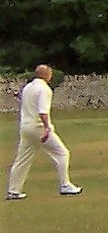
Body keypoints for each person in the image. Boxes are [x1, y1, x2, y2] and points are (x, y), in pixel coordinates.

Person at [7, 64, 82, 200]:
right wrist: (47, 128)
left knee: (22, 159)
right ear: (46, 75)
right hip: (38, 127)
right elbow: (43, 111)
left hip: (25, 127)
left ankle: (13, 190)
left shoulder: (28, 87)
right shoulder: (45, 89)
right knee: (62, 153)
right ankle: (65, 185)